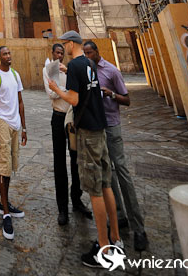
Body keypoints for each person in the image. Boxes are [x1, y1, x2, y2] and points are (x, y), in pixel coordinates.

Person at [48, 31, 122, 268]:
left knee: (94, 189)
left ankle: (103, 248)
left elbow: (74, 99)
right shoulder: (90, 63)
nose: (65, 48)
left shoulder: (74, 65)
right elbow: (90, 88)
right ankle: (116, 237)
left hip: (87, 132)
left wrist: (56, 88)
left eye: (66, 44)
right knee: (106, 184)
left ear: (71, 44)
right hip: (100, 128)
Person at [83, 40, 148, 251]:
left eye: (90, 53)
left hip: (112, 126)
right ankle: (119, 216)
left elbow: (127, 100)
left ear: (97, 52)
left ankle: (139, 228)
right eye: (84, 53)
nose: (87, 56)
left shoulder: (111, 71)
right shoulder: (87, 71)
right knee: (107, 174)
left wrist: (110, 94)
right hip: (97, 127)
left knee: (121, 171)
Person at [43, 42, 92, 225]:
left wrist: (63, 89)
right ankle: (62, 207)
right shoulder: (48, 69)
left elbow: (76, 92)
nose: (59, 56)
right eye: (57, 53)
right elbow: (52, 94)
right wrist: (67, 92)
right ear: (52, 53)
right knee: (59, 163)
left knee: (76, 160)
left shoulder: (69, 69)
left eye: (61, 53)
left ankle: (77, 200)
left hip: (72, 119)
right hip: (58, 118)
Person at [0, 45, 27, 240]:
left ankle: (5, 204)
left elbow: (20, 101)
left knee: (10, 167)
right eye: (5, 54)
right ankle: (6, 215)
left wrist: (24, 127)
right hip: (2, 123)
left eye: (9, 53)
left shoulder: (16, 75)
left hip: (15, 124)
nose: (8, 56)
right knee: (3, 167)